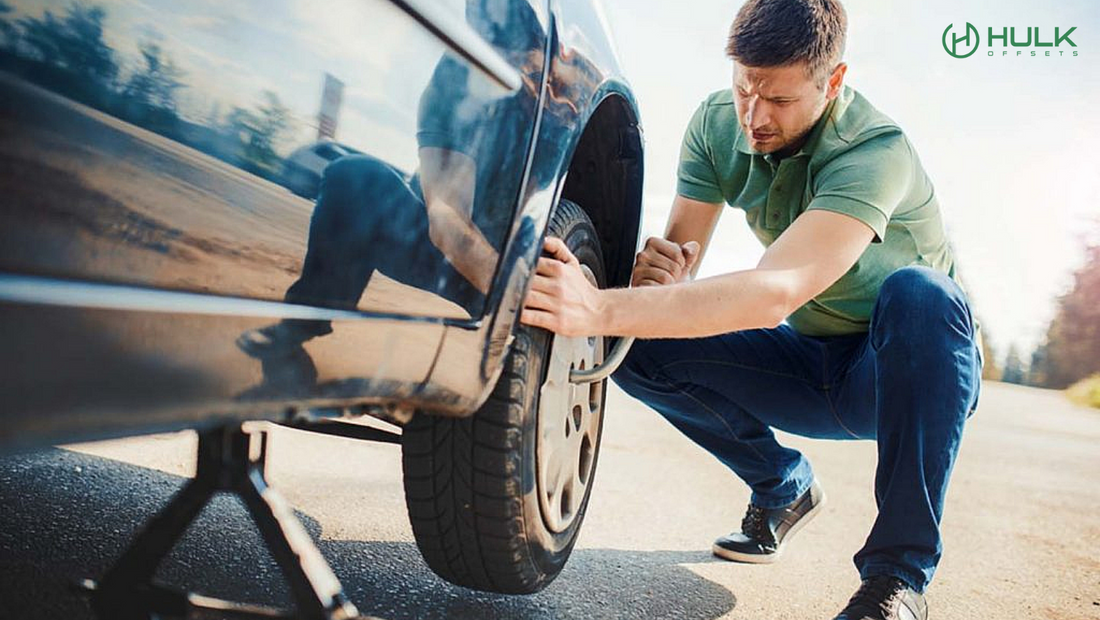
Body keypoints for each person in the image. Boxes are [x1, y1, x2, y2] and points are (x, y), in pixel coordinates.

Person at [519, 1, 982, 618]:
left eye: (780, 101)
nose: (754, 116)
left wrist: (595, 307)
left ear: (833, 82)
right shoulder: (718, 124)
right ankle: (782, 487)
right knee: (635, 342)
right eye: (744, 89)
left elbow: (775, 292)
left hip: (899, 371)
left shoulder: (875, 151)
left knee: (921, 293)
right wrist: (657, 279)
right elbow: (679, 265)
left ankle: (898, 581)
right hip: (809, 365)